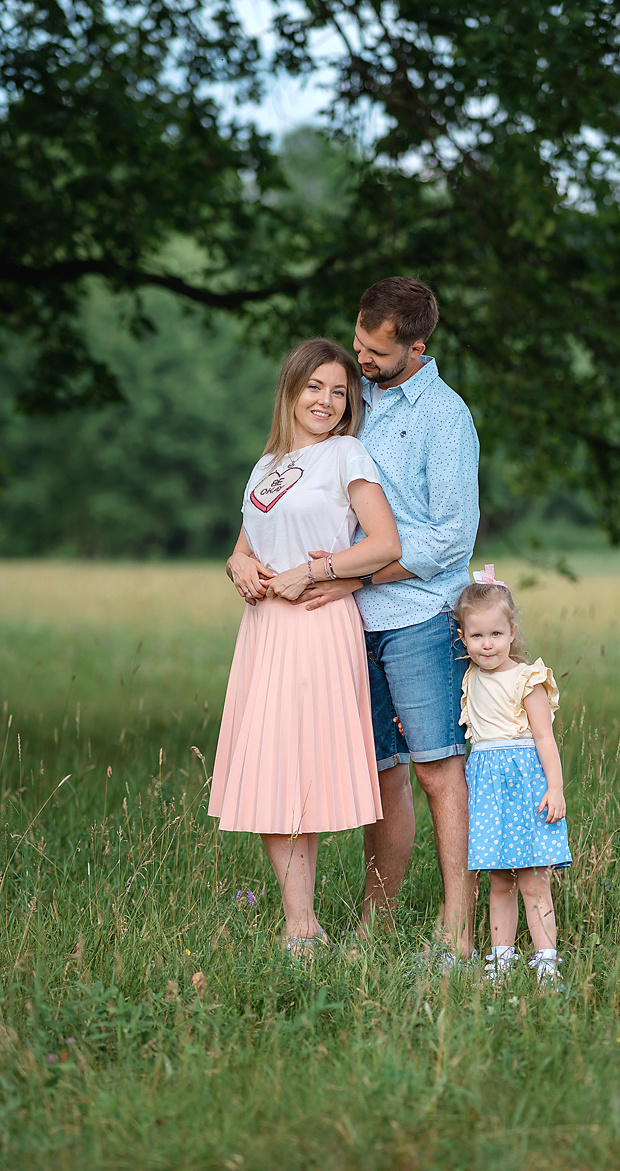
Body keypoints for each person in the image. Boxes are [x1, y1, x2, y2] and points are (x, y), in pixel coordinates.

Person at [301, 278, 480, 961]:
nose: (361, 361)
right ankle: (375, 924)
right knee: (381, 773)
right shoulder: (350, 400)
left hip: (418, 615)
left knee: (438, 767)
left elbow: (449, 540)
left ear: (417, 346)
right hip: (350, 618)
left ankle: (456, 930)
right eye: (356, 345)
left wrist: (357, 570)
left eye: (375, 352)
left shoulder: (445, 416)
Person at [208, 339, 402, 957]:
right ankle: (303, 923)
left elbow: (384, 544)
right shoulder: (268, 463)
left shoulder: (346, 455)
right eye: (314, 387)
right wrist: (237, 563)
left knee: (295, 771)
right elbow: (248, 541)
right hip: (264, 630)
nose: (325, 400)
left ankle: (299, 928)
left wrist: (315, 574)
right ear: (290, 390)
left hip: (316, 624)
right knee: (269, 771)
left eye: (338, 391)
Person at [454, 566, 572, 986]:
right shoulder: (469, 679)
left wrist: (555, 789)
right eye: (476, 636)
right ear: (463, 637)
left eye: (496, 634)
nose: (487, 645)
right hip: (488, 791)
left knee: (534, 881)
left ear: (512, 631)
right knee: (499, 880)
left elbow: (545, 740)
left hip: (526, 789)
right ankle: (501, 961)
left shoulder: (527, 679)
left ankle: (546, 963)